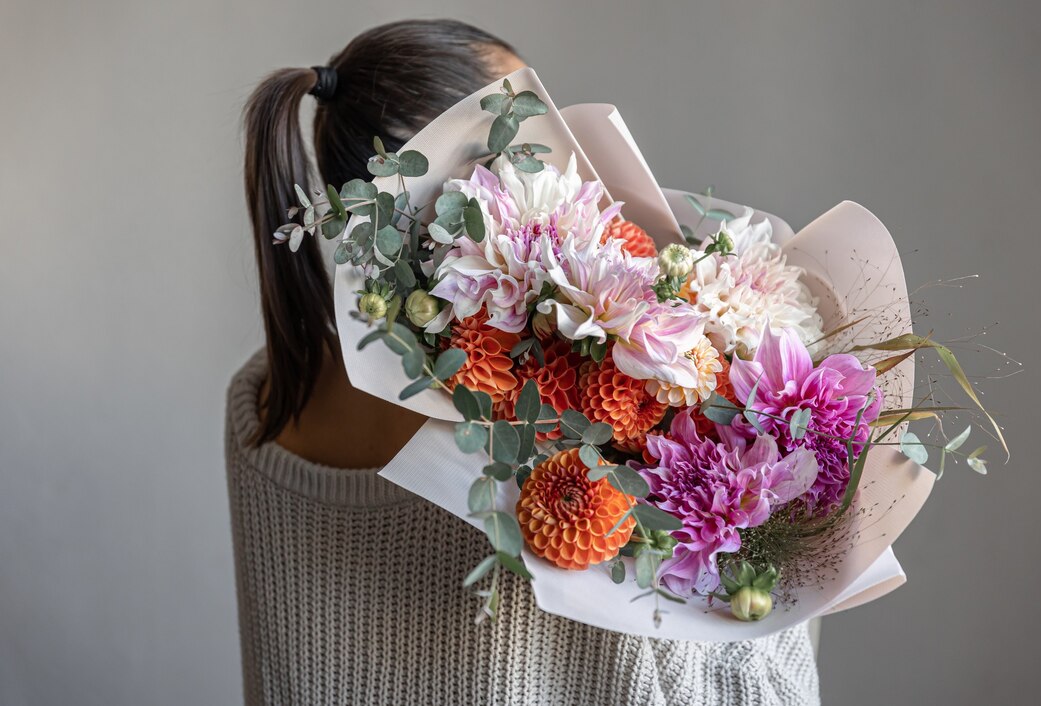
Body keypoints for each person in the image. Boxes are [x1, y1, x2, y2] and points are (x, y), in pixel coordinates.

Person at [227, 18, 820, 706]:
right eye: (543, 136)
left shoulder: (266, 401)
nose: (575, 167)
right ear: (475, 180)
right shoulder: (544, 424)